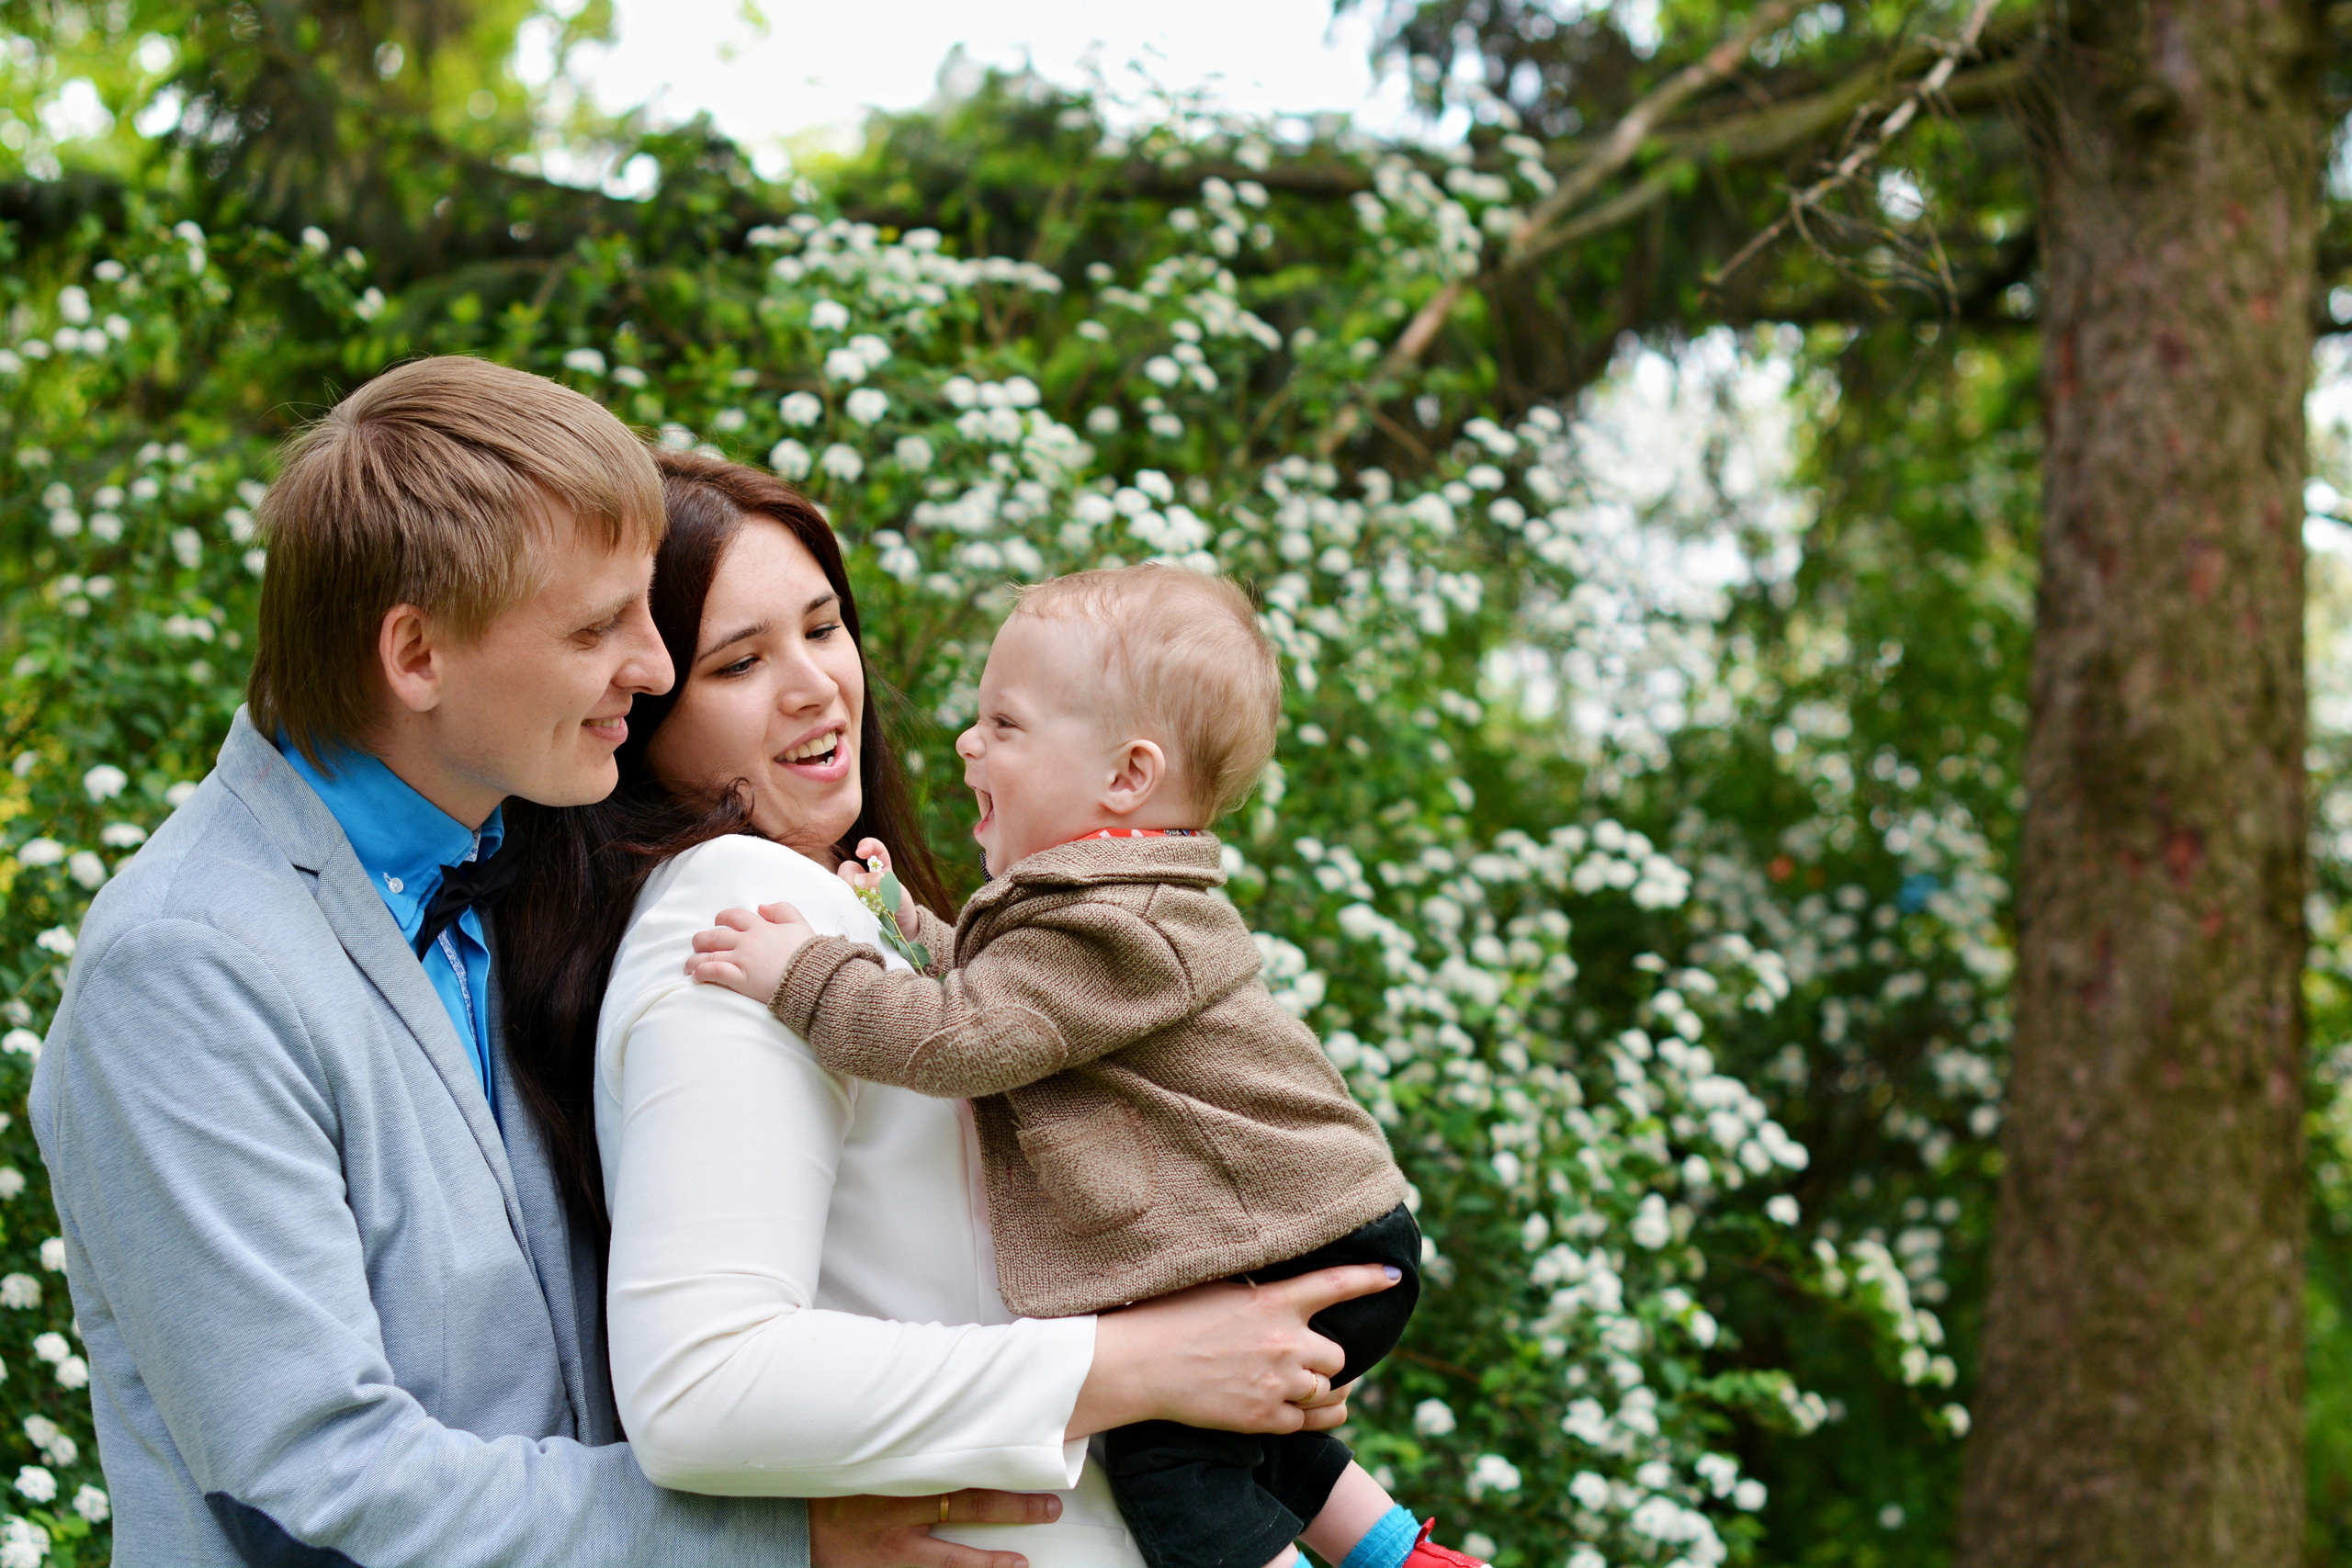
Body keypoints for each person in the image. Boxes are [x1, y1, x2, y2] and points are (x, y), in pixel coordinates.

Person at [28, 356, 1060, 1566]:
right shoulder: (187, 968)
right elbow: (320, 1469)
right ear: (415, 656)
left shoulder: (539, 862)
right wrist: (773, 1537)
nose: (655, 665)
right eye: (595, 626)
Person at [493, 451, 1399, 1568]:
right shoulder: (742, 906)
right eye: (737, 662)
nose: (816, 684)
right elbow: (703, 1387)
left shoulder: (857, 907)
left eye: (824, 629)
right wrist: (1144, 1364)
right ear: (645, 706)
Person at [685, 565, 1484, 1568]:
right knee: (1224, 1433)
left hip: (1301, 1241)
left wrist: (805, 974)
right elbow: (998, 993)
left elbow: (963, 1037)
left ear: (1125, 777)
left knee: (1167, 1464)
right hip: (1307, 1232)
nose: (969, 742)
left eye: (1007, 726)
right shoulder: (1104, 903)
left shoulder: (1119, 925)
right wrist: (895, 924)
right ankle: (1399, 1555)